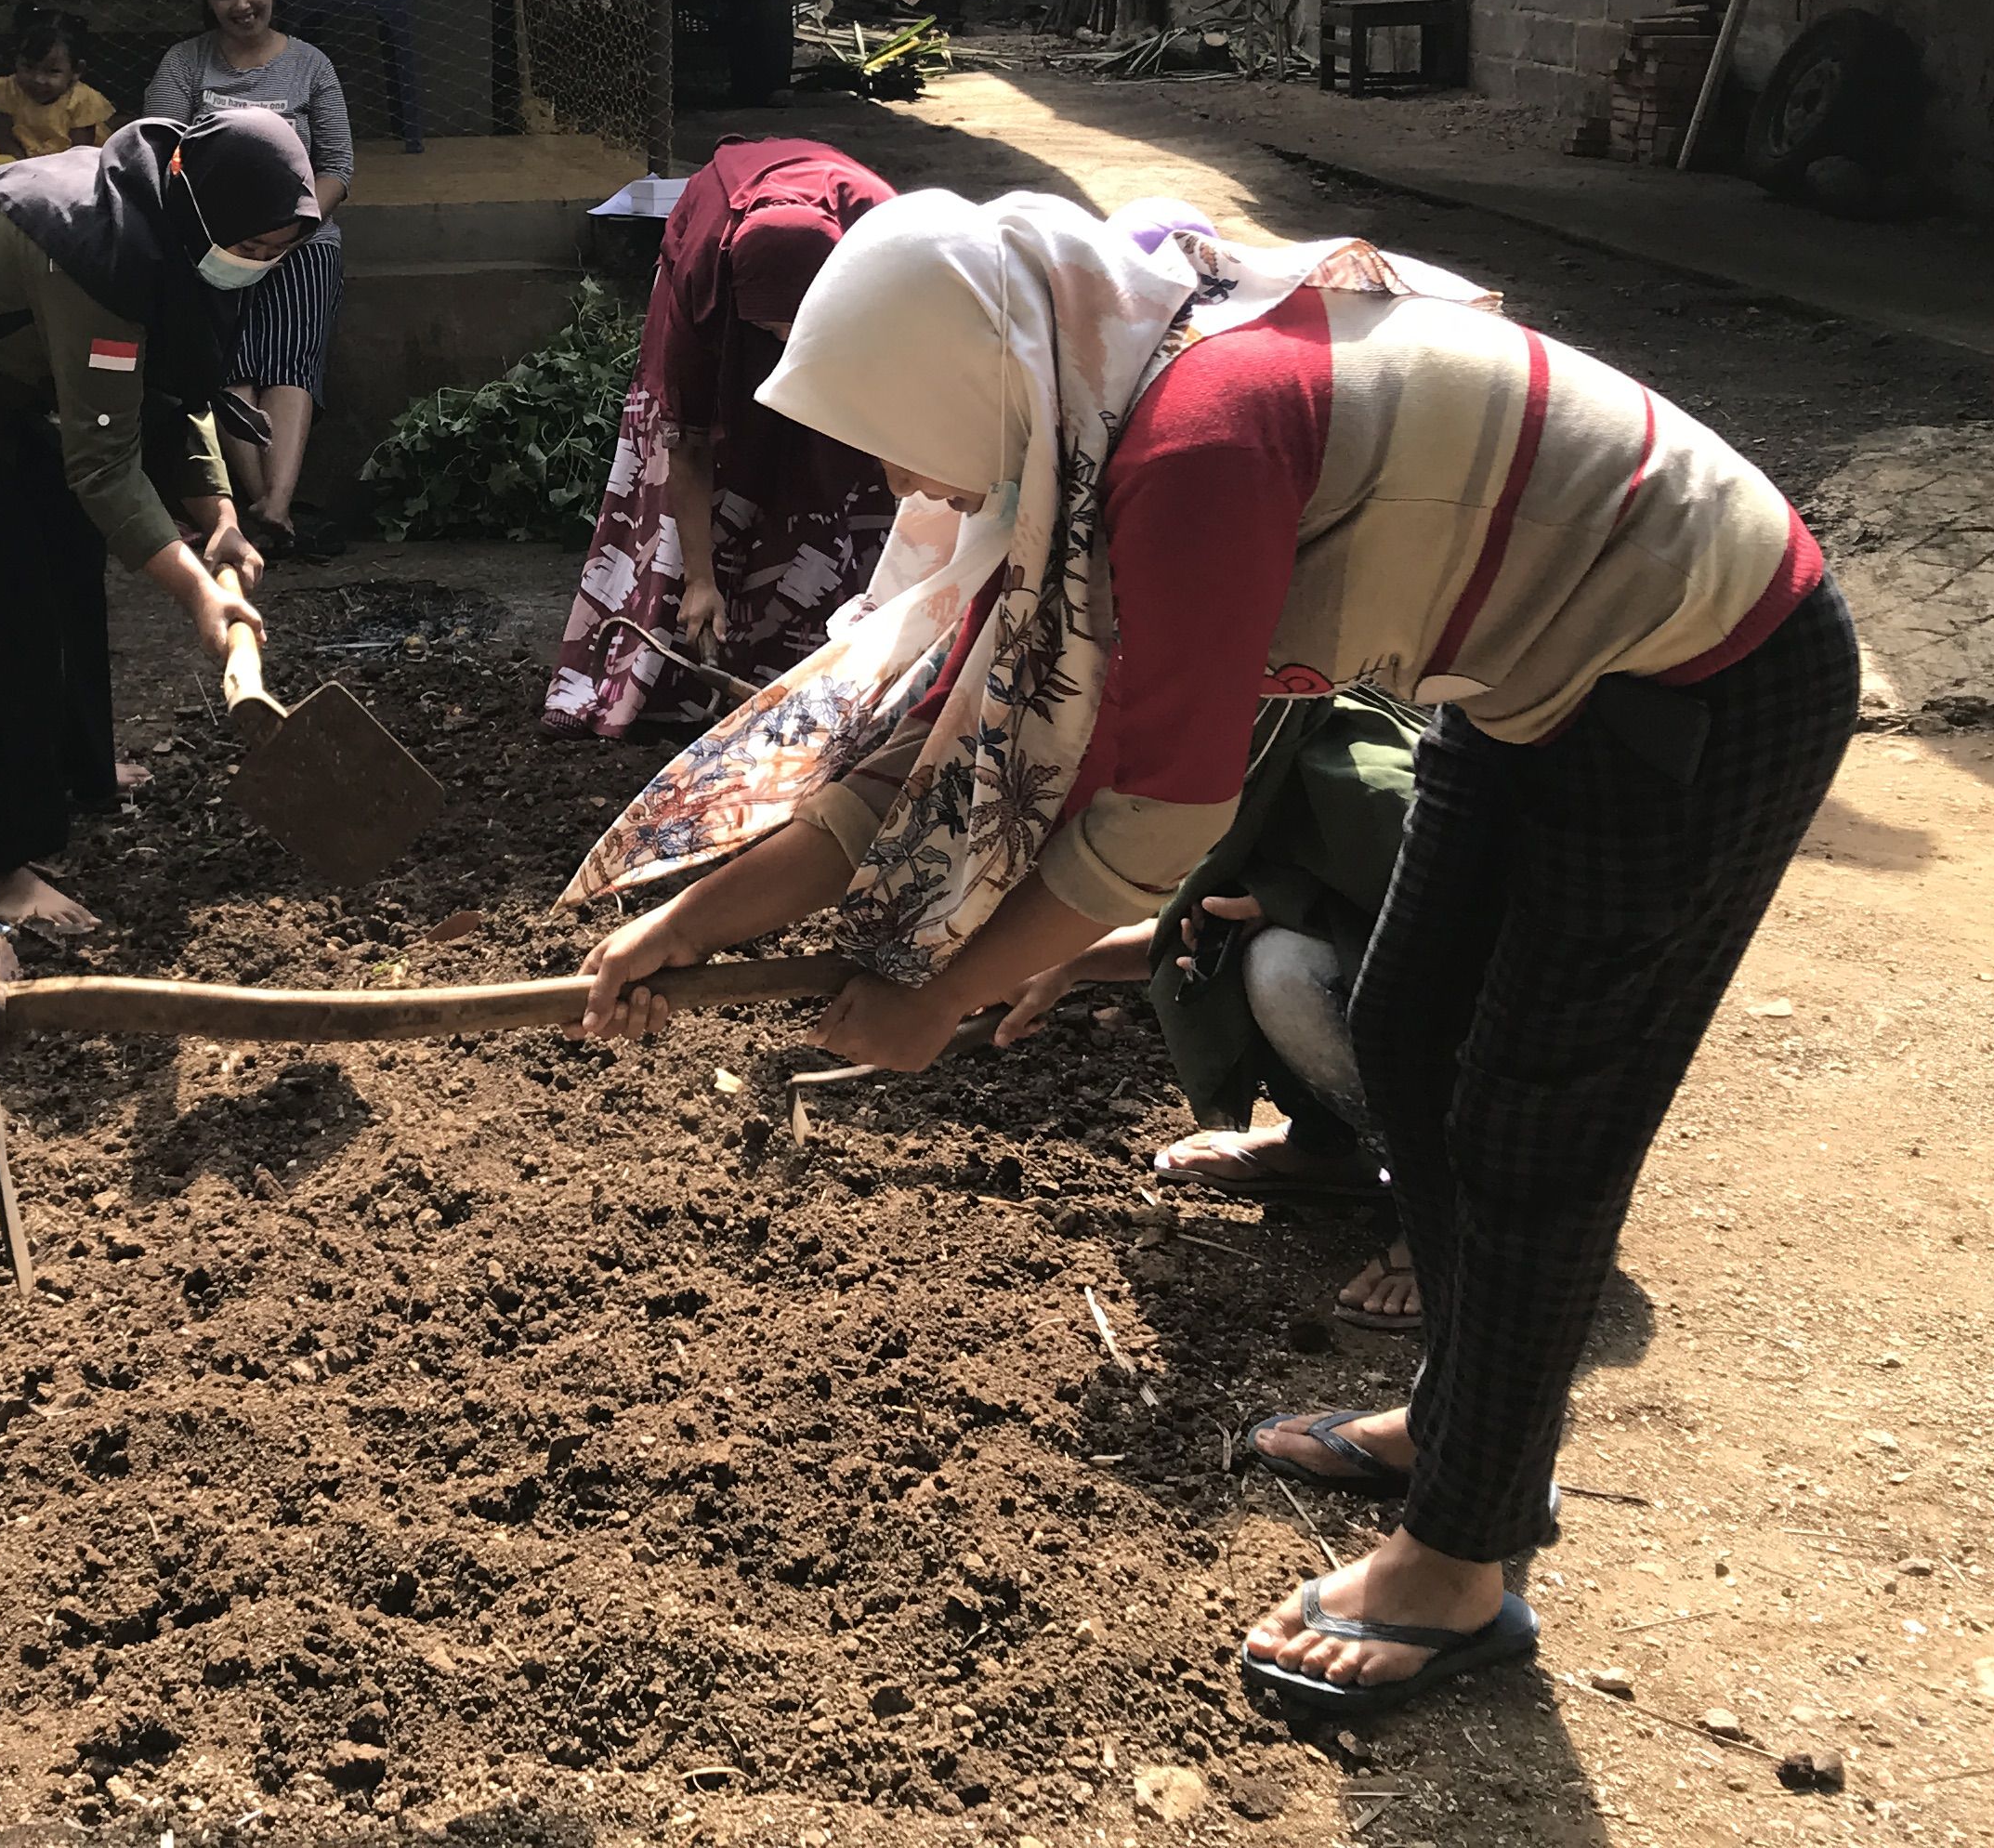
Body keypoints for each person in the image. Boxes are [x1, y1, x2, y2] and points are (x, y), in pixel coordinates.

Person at [568, 188, 1852, 1723]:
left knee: (1531, 1119)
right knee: (1406, 1031)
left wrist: (935, 1000)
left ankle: (1459, 1561)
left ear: (969, 374)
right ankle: (1468, 1421)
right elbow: (910, 756)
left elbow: (1157, 818)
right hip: (1533, 676)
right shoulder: (1080, 411)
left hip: (1697, 666)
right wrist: (687, 918)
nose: (898, 473)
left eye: (895, 431)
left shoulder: (1183, 443)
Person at [0, 111, 311, 938]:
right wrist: (199, 595)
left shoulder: (170, 220)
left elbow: (166, 391)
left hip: (1, 377)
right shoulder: (96, 252)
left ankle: (75, 775)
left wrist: (220, 517)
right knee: (0, 613)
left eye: (274, 252)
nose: (255, 264)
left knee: (70, 559)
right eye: (250, 246)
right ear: (203, 207)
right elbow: (105, 464)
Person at [1007, 687, 1430, 1335]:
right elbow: (1200, 917)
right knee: (1255, 947)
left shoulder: (1366, 783)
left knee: (1282, 967)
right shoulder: (1263, 766)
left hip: (1506, 1076)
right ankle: (1326, 1149)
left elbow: (1464, 935)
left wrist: (1293, 902)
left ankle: (1452, 1219)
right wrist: (1069, 965)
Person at [544, 137, 899, 737]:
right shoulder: (702, 280)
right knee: (716, 449)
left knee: (831, 456)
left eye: (796, 326)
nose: (783, 342)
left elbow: (896, 396)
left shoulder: (885, 250)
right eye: (769, 328)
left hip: (848, 291)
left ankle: (816, 669)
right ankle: (652, 678)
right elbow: (688, 437)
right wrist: (701, 580)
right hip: (715, 275)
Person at [143, 0, 353, 561]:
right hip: (209, 245)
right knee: (228, 362)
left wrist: (289, 230)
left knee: (288, 358)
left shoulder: (311, 65)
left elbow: (339, 165)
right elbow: (159, 157)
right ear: (207, 1)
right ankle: (266, 513)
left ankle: (276, 505)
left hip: (301, 238)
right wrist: (223, 235)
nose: (241, 4)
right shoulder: (184, 65)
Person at [0, 5, 116, 162]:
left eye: (53, 71)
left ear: (77, 70)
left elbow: (80, 151)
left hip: (66, 160)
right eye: (28, 67)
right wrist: (24, 165)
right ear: (16, 60)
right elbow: (4, 139)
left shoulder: (83, 100)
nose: (38, 79)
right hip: (19, 157)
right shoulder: (6, 91)